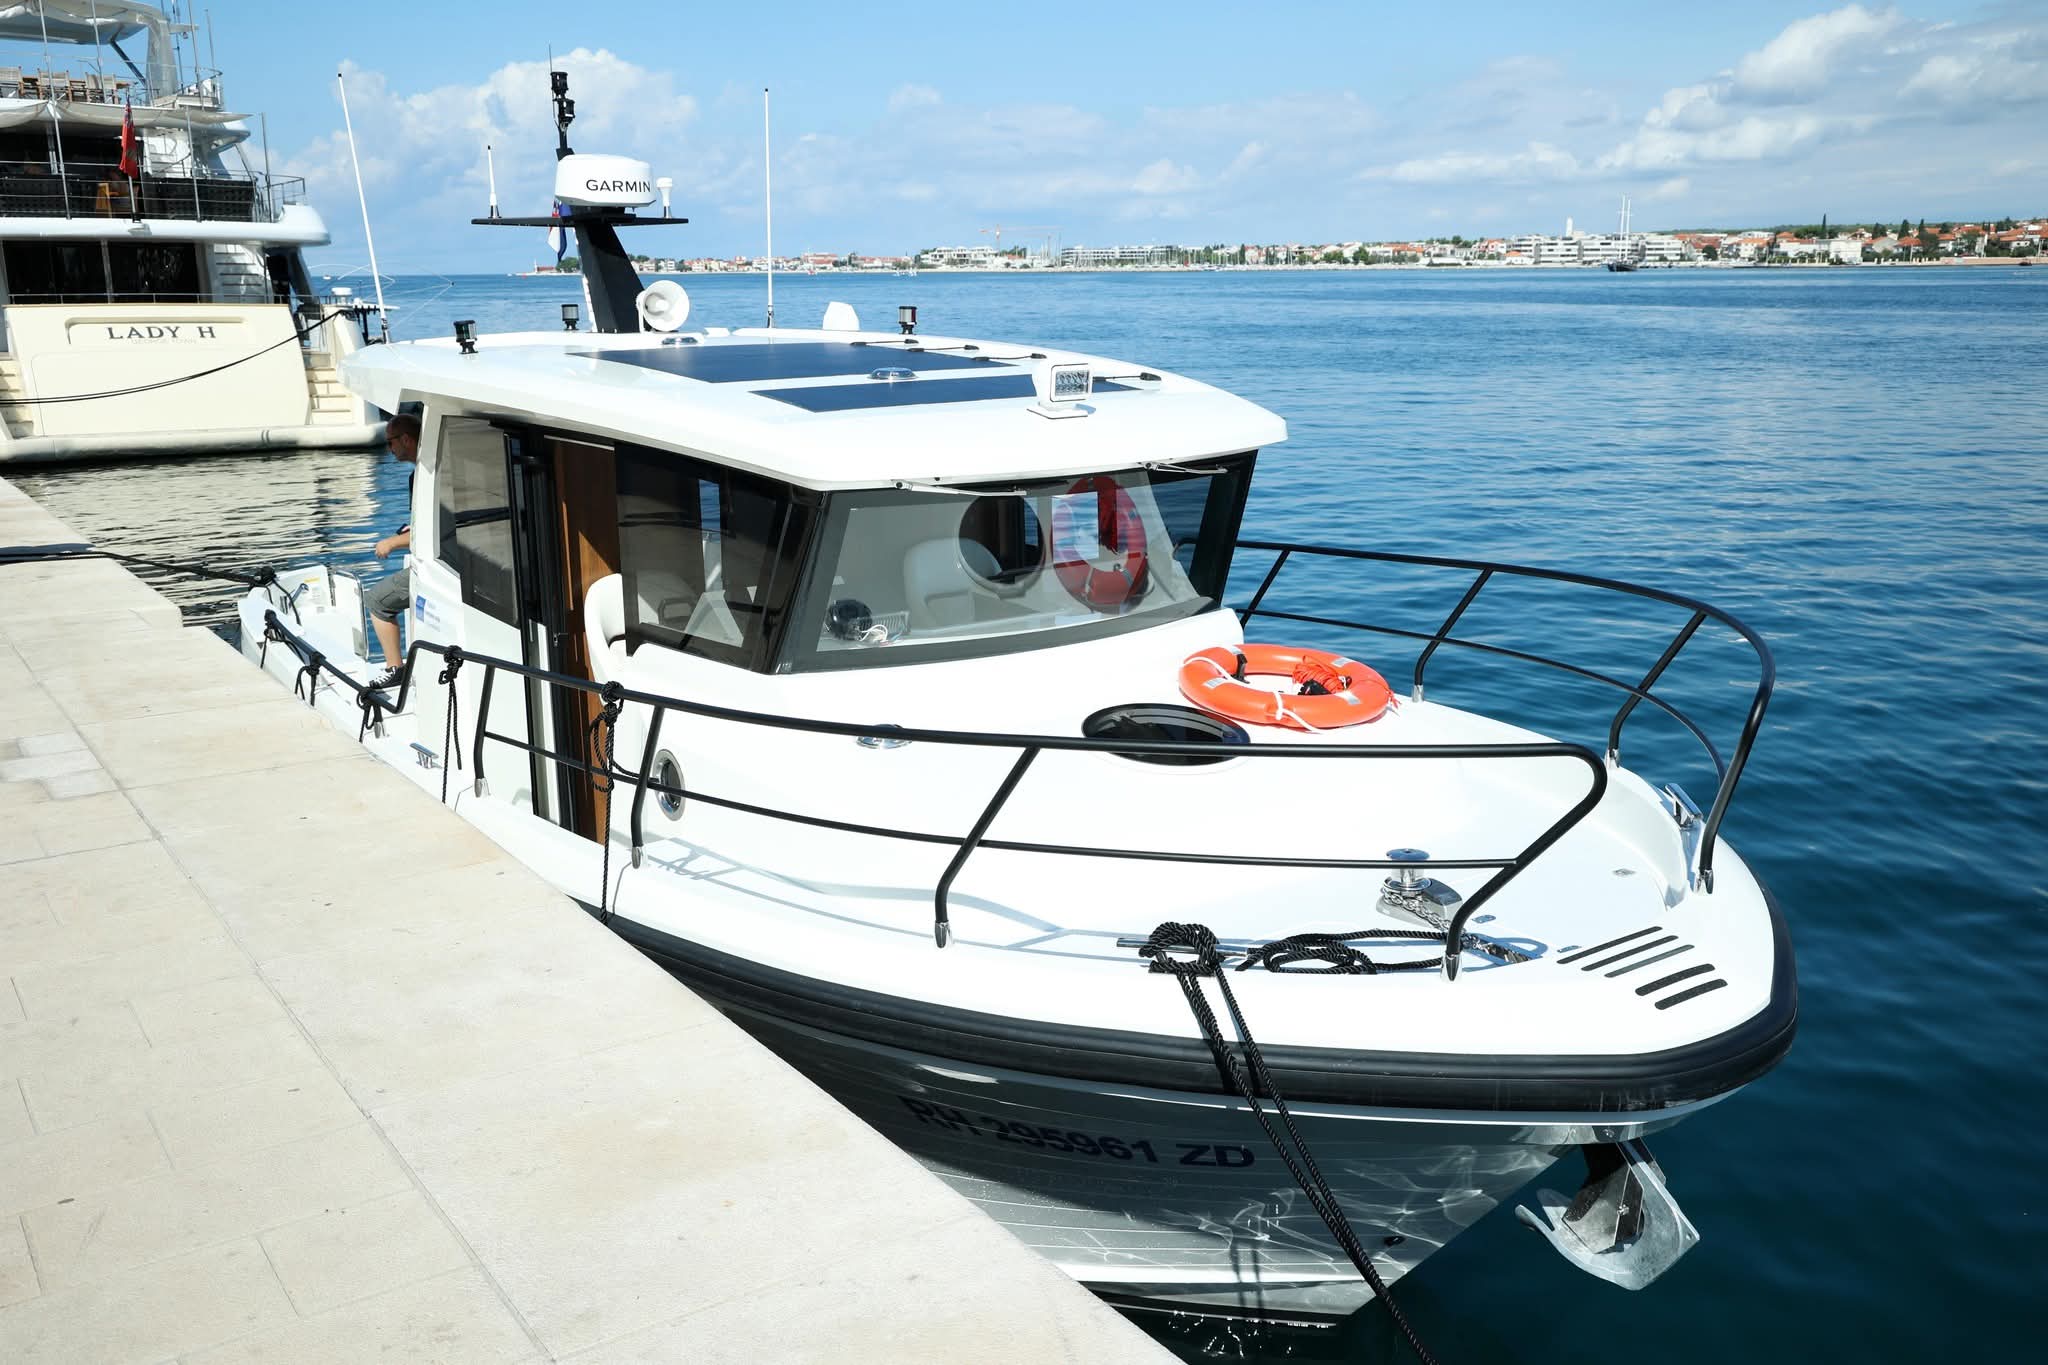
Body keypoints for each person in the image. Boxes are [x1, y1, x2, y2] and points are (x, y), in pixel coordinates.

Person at [365, 413, 421, 691]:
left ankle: (394, 669)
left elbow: (427, 534)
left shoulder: (421, 475)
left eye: (390, 442)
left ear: (406, 440)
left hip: (441, 565)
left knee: (377, 600)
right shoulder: (425, 471)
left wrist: (391, 542)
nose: (389, 448)